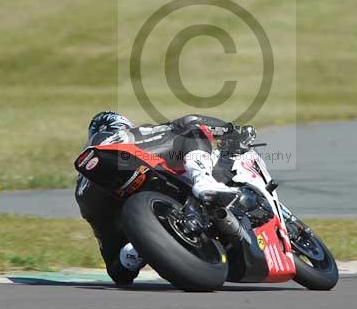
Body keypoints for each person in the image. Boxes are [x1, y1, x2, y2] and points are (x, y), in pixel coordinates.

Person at [74, 111, 239, 286]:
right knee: (191, 130)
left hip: (90, 197)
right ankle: (203, 180)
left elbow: (118, 275)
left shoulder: (83, 185)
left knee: (118, 268)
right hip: (128, 159)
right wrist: (231, 130)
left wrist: (144, 244)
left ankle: (134, 252)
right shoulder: (131, 135)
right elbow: (189, 121)